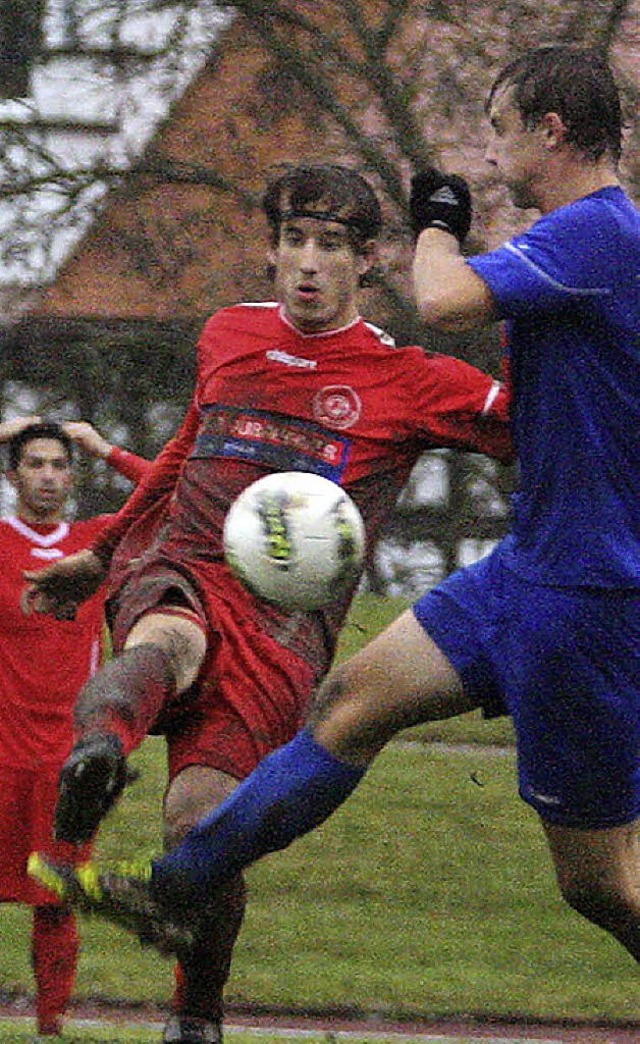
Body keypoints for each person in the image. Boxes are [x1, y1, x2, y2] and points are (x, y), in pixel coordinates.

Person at [29, 45, 640, 972]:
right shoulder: (582, 243)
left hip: (588, 598)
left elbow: (443, 300)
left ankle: (180, 884)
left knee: (599, 886)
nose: (489, 156)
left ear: (550, 132)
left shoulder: (600, 230)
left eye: (499, 133)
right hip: (528, 568)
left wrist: (437, 224)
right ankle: (176, 886)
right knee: (352, 703)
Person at [24, 161, 512, 1043]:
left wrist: (535, 309)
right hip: (185, 564)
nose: (308, 263)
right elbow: (182, 450)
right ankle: (96, 755)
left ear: (370, 261)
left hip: (283, 630)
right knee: (168, 640)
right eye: (293, 241)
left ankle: (195, 1017)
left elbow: (530, 431)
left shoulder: (410, 380)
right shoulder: (228, 335)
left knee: (199, 826)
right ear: (272, 250)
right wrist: (103, 552)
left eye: (330, 245)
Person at [0, 416, 149, 1038]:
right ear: (12, 475)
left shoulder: (98, 544)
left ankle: (50, 1027)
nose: (48, 477)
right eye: (34, 463)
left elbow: (172, 494)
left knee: (56, 897)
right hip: (1, 750)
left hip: (68, 757)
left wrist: (104, 446)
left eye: (60, 465)